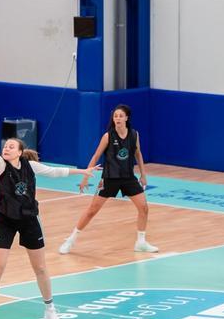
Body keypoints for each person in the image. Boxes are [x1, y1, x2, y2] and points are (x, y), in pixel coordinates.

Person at [0, 96, 98, 319]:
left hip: (29, 219)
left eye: (11, 146)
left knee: (40, 268)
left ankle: (50, 309)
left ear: (20, 152)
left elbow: (54, 172)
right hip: (5, 220)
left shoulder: (30, 166)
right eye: (5, 146)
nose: (6, 148)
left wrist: (83, 171)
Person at [60, 104, 157, 255]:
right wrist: (85, 176)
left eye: (120, 116)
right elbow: (96, 156)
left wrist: (143, 175)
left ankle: (141, 242)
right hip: (109, 178)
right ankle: (70, 240)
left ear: (126, 118)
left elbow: (138, 154)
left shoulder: (134, 135)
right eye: (115, 116)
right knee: (92, 211)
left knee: (144, 208)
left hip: (128, 178)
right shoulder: (108, 136)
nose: (117, 118)